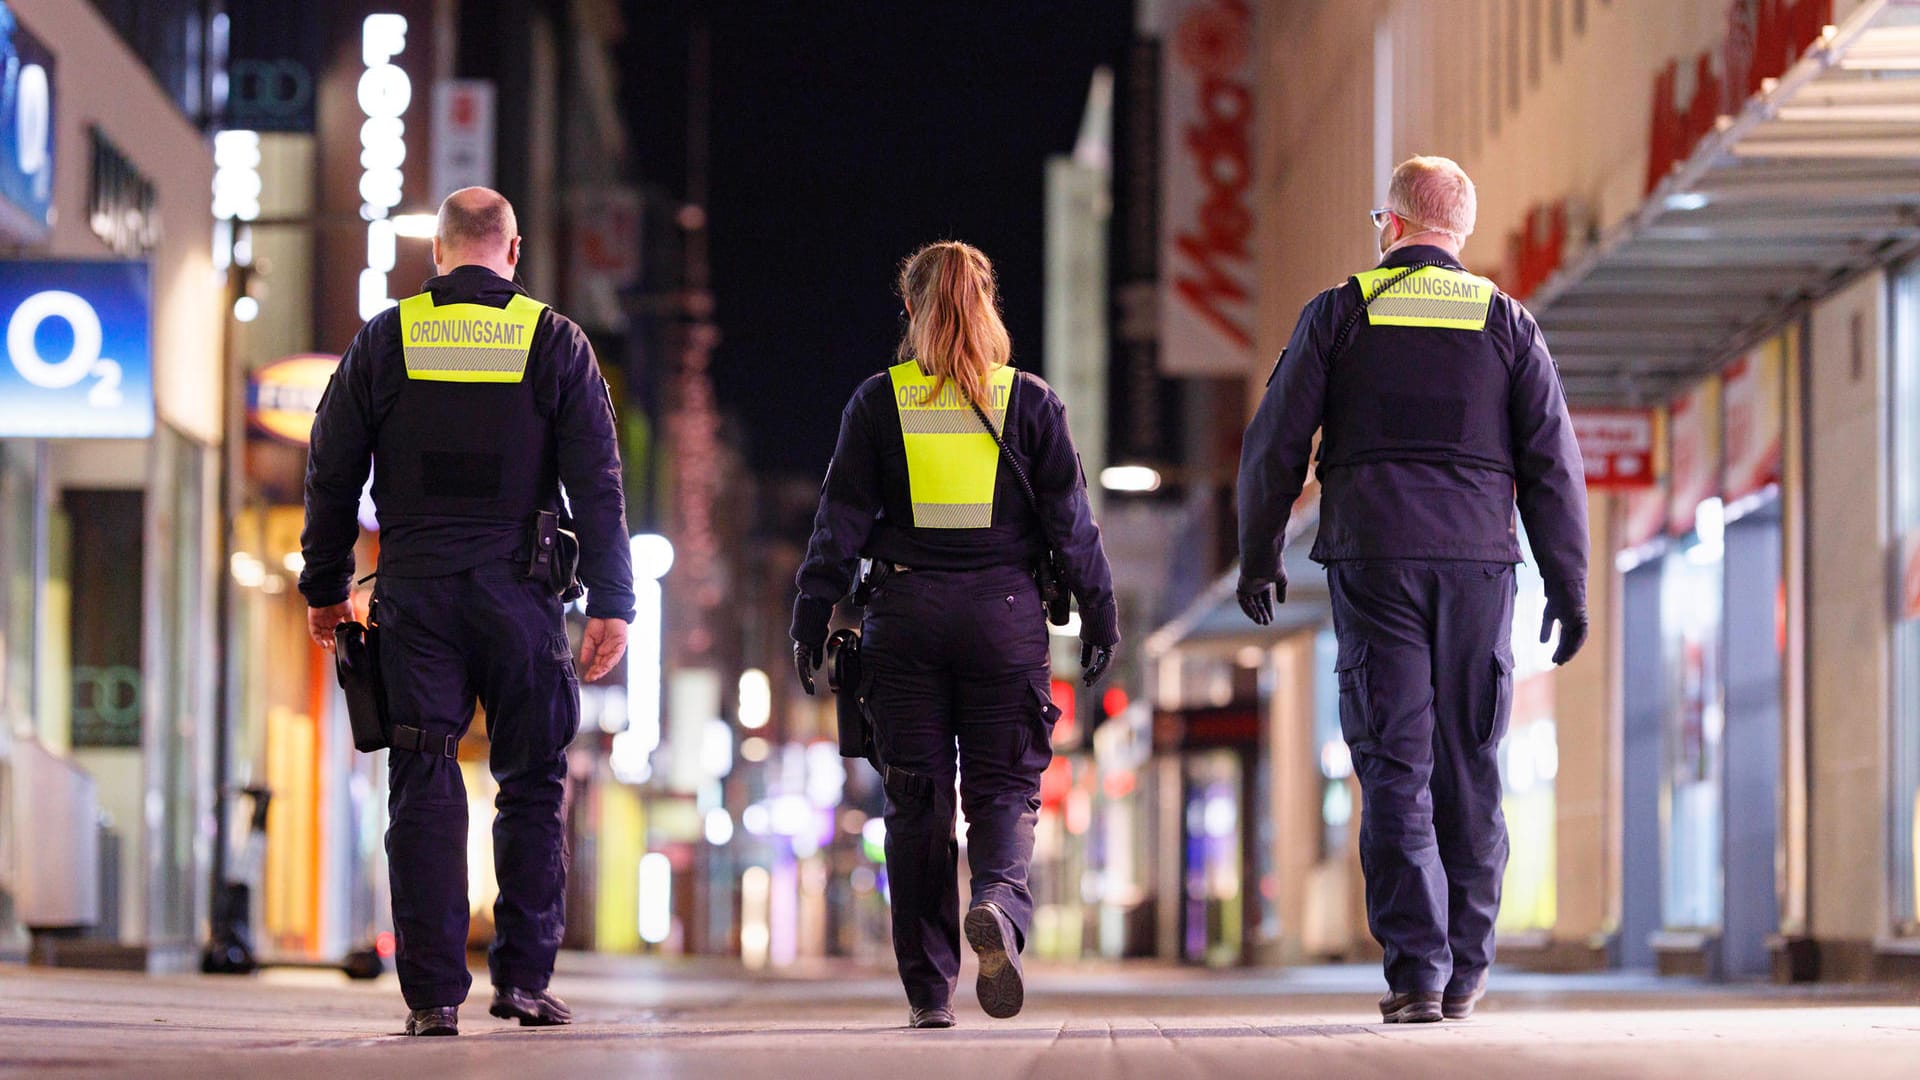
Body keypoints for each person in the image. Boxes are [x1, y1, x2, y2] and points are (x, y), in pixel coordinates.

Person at [1235, 157, 1588, 1024]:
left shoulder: (1341, 313)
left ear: (1389, 224)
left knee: (1396, 766)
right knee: (1470, 763)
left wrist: (1259, 551)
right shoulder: (1508, 323)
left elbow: (1276, 442)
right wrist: (1568, 585)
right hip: (1478, 569)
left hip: (1376, 559)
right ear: (1459, 232)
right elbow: (1552, 466)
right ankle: (1467, 967)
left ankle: (1418, 972)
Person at [300, 187, 634, 1037]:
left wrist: (327, 586)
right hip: (521, 596)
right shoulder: (553, 340)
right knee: (530, 783)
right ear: (512, 253)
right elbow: (598, 483)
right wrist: (612, 602)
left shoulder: (387, 337)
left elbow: (332, 469)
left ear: (438, 254)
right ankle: (522, 982)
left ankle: (432, 998)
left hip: (414, 592)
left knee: (422, 777)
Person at [791, 241, 1119, 1028]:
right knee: (1005, 787)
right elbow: (1072, 525)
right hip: (1005, 617)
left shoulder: (879, 402)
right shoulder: (1028, 402)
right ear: (988, 306)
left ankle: (929, 992)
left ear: (911, 310)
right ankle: (1000, 907)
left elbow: (837, 524)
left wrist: (811, 614)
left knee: (917, 806)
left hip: (903, 621)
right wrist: (1101, 613)